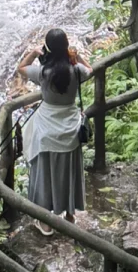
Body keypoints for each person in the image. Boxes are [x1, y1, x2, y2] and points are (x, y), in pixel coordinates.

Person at [15, 28, 92, 233]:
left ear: (47, 48)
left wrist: (33, 53)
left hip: (46, 129)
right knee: (69, 170)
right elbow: (90, 70)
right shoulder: (76, 71)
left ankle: (45, 221)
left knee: (44, 172)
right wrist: (77, 57)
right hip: (70, 128)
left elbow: (21, 68)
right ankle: (69, 215)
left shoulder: (42, 73)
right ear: (67, 47)